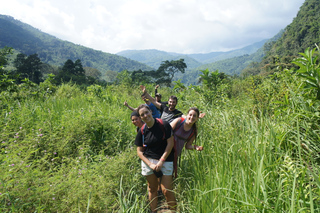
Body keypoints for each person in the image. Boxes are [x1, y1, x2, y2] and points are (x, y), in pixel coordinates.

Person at [135, 104, 176, 212]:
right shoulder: (142, 131)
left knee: (166, 190)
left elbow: (170, 144)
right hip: (149, 161)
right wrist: (150, 164)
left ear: (151, 111)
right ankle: (154, 211)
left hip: (165, 159)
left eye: (146, 112)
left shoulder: (164, 125)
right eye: (142, 115)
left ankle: (174, 211)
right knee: (152, 189)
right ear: (140, 117)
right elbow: (139, 152)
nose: (145, 115)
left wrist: (161, 161)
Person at [170, 107, 204, 177]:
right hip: (166, 150)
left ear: (197, 118)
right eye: (190, 115)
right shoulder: (179, 121)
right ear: (187, 115)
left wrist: (195, 147)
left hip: (175, 155)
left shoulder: (193, 131)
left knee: (170, 175)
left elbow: (187, 146)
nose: (192, 117)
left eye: (194, 116)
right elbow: (166, 132)